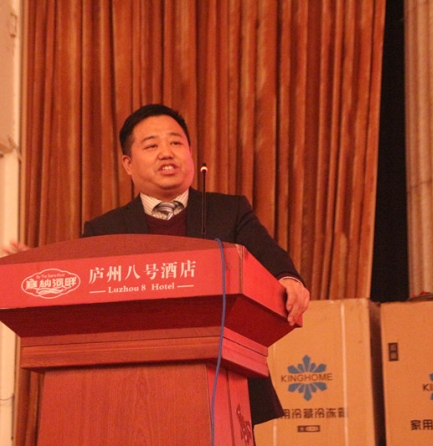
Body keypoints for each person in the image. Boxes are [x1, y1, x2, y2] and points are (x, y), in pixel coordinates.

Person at [81, 103, 310, 425]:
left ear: (189, 153)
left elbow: (270, 257)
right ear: (128, 164)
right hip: (135, 386)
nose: (166, 152)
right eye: (152, 145)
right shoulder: (104, 230)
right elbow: (84, 298)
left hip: (225, 378)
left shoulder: (228, 211)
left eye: (176, 142)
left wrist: (288, 279)